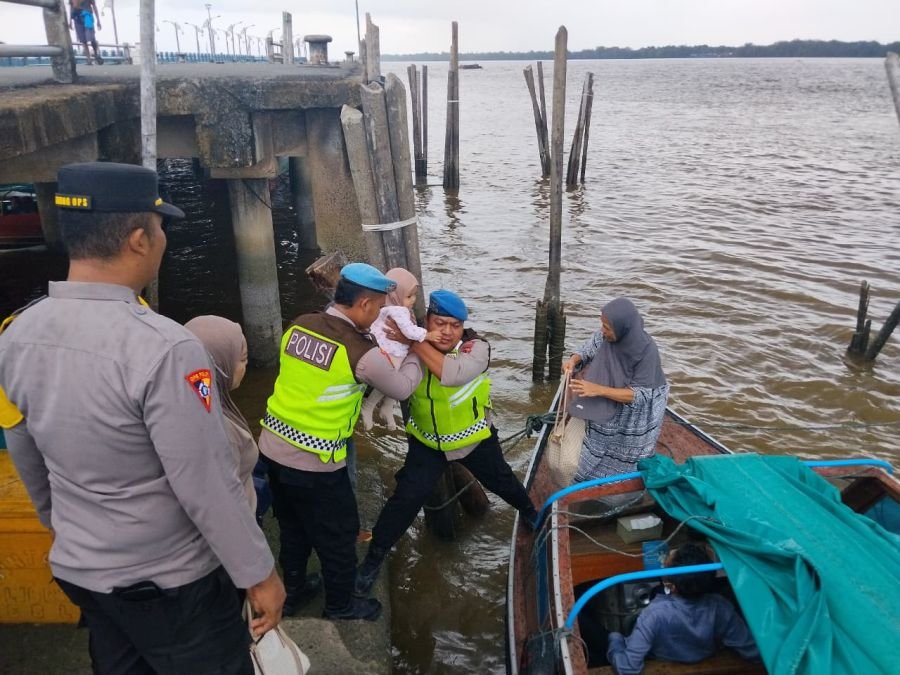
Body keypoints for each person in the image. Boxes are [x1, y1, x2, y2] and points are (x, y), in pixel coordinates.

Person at [0, 162, 284, 675]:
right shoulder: (169, 349)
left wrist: (67, 530)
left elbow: (25, 451)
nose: (162, 241)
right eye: (160, 229)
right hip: (171, 586)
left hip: (84, 572)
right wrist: (258, 572)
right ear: (137, 238)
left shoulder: (18, 333)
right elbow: (205, 481)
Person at [259, 262, 424, 621]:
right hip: (317, 461)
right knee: (339, 537)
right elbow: (403, 386)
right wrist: (413, 350)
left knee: (292, 527)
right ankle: (340, 606)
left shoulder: (299, 324)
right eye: (379, 307)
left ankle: (295, 591)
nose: (380, 314)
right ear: (364, 303)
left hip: (271, 448)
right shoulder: (359, 352)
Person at [354, 289, 539, 598]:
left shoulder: (476, 348)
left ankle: (532, 514)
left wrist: (412, 340)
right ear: (426, 320)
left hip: (475, 440)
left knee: (503, 481)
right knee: (405, 500)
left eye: (454, 325)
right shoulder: (411, 347)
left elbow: (451, 374)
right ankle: (375, 558)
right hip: (427, 444)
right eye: (439, 323)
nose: (447, 332)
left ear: (463, 326)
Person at [603, 543, 759, 674]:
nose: (665, 561)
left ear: (673, 586)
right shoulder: (720, 607)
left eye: (667, 564)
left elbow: (627, 668)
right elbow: (752, 651)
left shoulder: (654, 614)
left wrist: (615, 639)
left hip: (660, 662)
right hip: (704, 657)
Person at [562, 297, 669, 482]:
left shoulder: (646, 351)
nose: (603, 331)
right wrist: (573, 360)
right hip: (606, 395)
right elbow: (587, 349)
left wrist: (597, 390)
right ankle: (587, 478)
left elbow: (640, 395)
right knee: (591, 451)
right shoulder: (605, 336)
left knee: (625, 458)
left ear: (623, 328)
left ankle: (619, 483)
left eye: (607, 328)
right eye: (602, 325)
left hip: (634, 414)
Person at [185, 315, 258, 513]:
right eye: (242, 359)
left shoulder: (182, 401)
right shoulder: (222, 433)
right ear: (220, 365)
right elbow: (220, 509)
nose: (245, 367)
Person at [361, 267, 437, 431]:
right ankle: (368, 407)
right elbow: (410, 331)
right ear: (396, 294)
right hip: (392, 352)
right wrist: (429, 335)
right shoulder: (399, 310)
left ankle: (387, 407)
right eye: (409, 296)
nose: (413, 300)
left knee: (395, 381)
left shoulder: (388, 308)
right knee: (390, 381)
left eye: (414, 295)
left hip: (391, 350)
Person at [70, 0, 104, 65]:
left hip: (87, 16)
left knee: (91, 38)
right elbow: (71, 7)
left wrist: (98, 20)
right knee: (83, 40)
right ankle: (88, 59)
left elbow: (94, 6)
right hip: (77, 18)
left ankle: (96, 54)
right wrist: (70, 21)